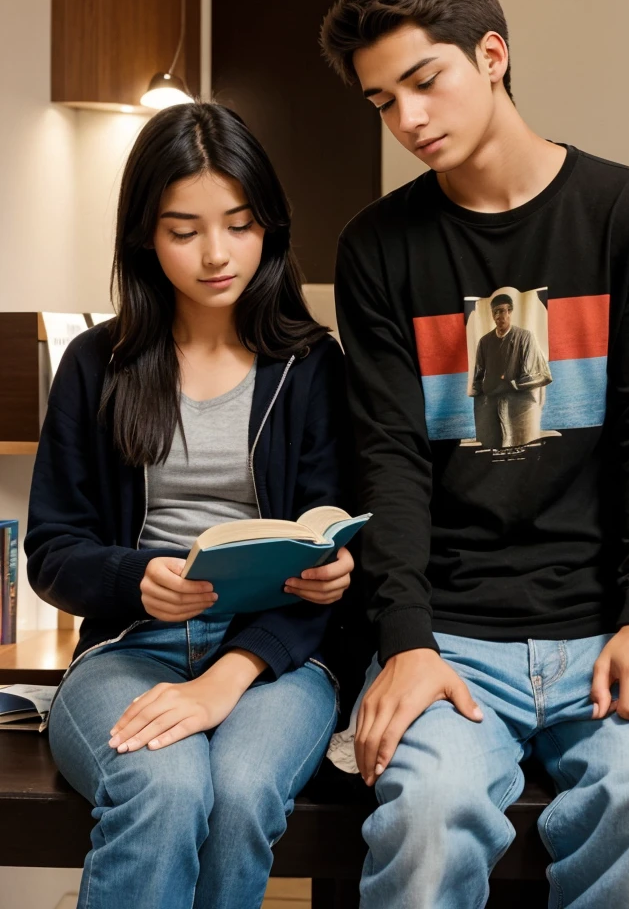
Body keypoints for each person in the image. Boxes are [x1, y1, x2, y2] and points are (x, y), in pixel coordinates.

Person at [321, 0, 629, 908]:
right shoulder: (377, 248)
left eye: (423, 81)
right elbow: (388, 457)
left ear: (491, 54)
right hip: (453, 632)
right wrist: (406, 640)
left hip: (603, 624)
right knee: (425, 813)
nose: (409, 120)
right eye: (381, 103)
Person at [25, 102, 354, 909]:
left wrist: (328, 576)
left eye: (240, 225)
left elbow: (338, 539)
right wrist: (139, 578)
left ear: (268, 225)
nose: (217, 254)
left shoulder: (312, 367)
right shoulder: (97, 365)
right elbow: (52, 552)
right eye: (184, 230)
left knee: (241, 793)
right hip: (131, 647)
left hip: (278, 658)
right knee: (164, 790)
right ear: (144, 234)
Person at [471, 292, 552, 448]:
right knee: (492, 444)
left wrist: (512, 382)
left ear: (510, 311)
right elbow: (478, 376)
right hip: (492, 402)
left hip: (519, 402)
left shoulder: (525, 337)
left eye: (502, 311)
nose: (498, 316)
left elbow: (540, 375)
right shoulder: (485, 341)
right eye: (495, 312)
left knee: (519, 443)